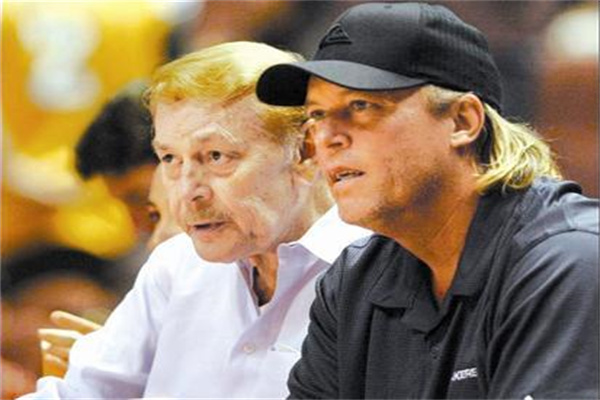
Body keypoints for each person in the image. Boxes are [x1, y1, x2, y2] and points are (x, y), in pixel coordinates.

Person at [257, 2, 599, 398]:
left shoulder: (568, 262)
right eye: (317, 115)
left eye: (361, 106)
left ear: (462, 121)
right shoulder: (353, 282)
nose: (327, 138)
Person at [20, 41, 369, 399]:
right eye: (170, 159)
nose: (187, 191)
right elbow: (80, 393)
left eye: (216, 156)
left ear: (306, 149)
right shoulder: (176, 265)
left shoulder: (380, 273)